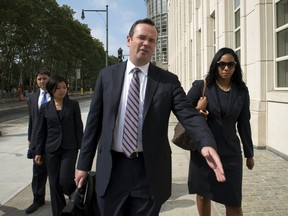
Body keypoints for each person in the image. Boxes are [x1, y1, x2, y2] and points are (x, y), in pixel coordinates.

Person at [74, 18, 225, 216]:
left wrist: (205, 143)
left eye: (152, 40)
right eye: (141, 37)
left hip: (149, 171)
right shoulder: (106, 76)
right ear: (129, 40)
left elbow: (189, 115)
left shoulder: (168, 81)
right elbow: (93, 125)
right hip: (111, 169)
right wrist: (83, 165)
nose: (146, 43)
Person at [187, 47, 255, 216]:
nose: (226, 68)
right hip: (204, 150)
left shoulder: (241, 90)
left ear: (235, 67)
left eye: (231, 65)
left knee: (233, 201)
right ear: (215, 66)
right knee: (203, 195)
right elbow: (183, 112)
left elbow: (244, 123)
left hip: (230, 152)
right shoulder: (202, 86)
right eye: (222, 64)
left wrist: (249, 153)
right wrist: (197, 110)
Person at [34, 75, 83, 216]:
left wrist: (83, 149)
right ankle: (60, 213)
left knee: (65, 181)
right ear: (51, 90)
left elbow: (78, 128)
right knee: (54, 184)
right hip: (51, 150)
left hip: (70, 148)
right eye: (58, 88)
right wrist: (38, 152)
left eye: (64, 87)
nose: (62, 91)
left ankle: (79, 197)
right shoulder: (45, 108)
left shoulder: (73, 105)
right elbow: (40, 131)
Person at [26, 69, 51, 214]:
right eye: (40, 79)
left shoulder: (56, 93)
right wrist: (30, 138)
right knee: (38, 173)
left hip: (53, 140)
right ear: (36, 80)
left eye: (45, 78)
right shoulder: (32, 97)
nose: (42, 81)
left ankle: (59, 199)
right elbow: (32, 120)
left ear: (50, 79)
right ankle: (38, 199)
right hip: (37, 141)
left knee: (57, 174)